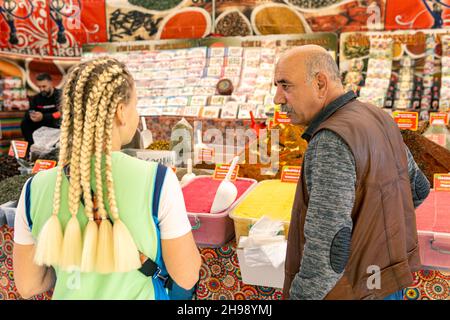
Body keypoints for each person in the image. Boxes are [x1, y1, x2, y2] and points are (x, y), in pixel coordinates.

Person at [13, 58, 201, 299]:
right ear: (121, 112)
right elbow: (186, 275)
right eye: (135, 104)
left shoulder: (33, 188)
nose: (137, 112)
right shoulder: (158, 180)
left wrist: (72, 260)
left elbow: (28, 285)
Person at [273, 46, 430, 300]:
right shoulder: (379, 116)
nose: (277, 98)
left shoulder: (330, 140)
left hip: (353, 289)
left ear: (320, 83)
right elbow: (418, 188)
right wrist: (373, 236)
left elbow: (326, 252)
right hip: (388, 282)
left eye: (285, 85)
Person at [21, 73, 62, 146]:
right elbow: (29, 112)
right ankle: (33, 147)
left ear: (51, 83)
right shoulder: (36, 98)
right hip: (42, 124)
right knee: (25, 123)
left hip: (56, 122)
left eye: (44, 86)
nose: (41, 89)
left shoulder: (60, 95)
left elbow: (61, 113)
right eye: (39, 87)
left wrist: (44, 116)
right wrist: (32, 116)